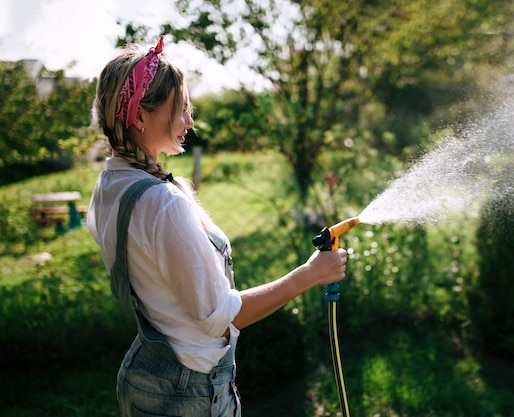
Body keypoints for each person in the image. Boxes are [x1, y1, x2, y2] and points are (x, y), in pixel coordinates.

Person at [87, 35, 347, 417]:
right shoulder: (163, 201)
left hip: (145, 373)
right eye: (180, 109)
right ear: (139, 116)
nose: (190, 122)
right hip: (189, 393)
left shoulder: (111, 184)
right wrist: (308, 275)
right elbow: (217, 318)